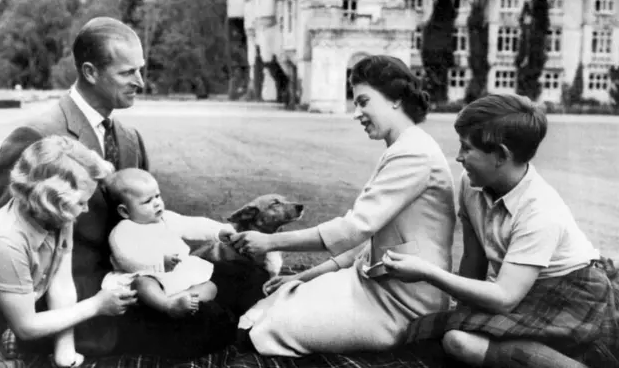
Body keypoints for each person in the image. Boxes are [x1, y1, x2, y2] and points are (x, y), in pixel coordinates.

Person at [230, 55, 457, 357]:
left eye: (363, 102)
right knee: (281, 298)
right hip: (372, 285)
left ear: (396, 99)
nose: (356, 113)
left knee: (266, 330)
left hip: (403, 304)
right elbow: (363, 243)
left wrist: (270, 241)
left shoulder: (414, 154)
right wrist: (304, 276)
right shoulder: (403, 148)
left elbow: (352, 230)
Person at [383, 94, 617, 368]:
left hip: (574, 294)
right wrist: (462, 309)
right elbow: (474, 258)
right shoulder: (471, 183)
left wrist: (428, 272)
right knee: (437, 332)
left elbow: (504, 298)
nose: (458, 157)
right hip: (521, 289)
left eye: (467, 148)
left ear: (501, 155)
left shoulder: (541, 211)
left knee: (457, 341)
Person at [0, 16, 149, 355]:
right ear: (90, 72)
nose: (140, 82)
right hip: (63, 309)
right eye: (127, 73)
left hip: (132, 288)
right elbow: (9, 243)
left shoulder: (131, 139)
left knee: (222, 297)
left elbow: (145, 221)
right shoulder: (35, 137)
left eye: (140, 70)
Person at [0, 136, 136, 368]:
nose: (86, 209)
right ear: (49, 200)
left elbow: (60, 285)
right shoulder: (4, 239)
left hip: (1, 320)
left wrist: (65, 352)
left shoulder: (59, 216)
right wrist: (97, 305)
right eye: (82, 202)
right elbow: (27, 327)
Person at [101, 168, 236, 318]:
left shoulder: (166, 218)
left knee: (210, 287)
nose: (157, 203)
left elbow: (191, 225)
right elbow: (126, 257)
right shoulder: (124, 230)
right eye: (147, 201)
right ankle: (168, 305)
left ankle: (184, 300)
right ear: (125, 211)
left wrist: (218, 231)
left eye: (157, 196)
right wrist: (159, 261)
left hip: (175, 273)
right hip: (147, 273)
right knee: (143, 284)